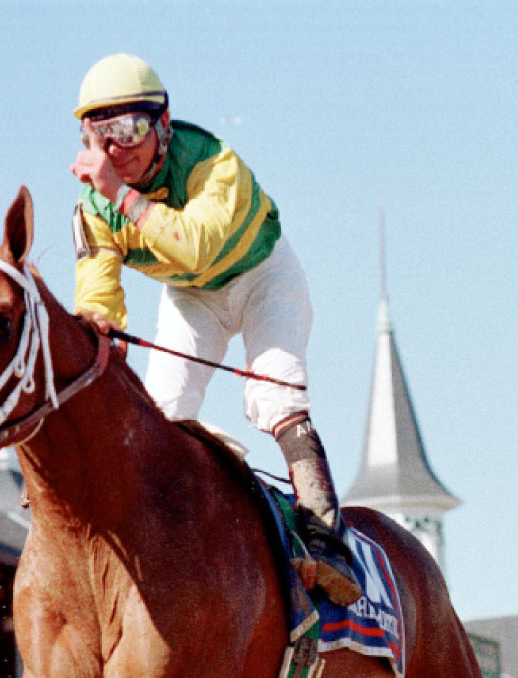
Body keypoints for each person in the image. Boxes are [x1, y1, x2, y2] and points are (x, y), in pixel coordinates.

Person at [70, 53, 361, 606]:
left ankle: (327, 537)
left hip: (263, 276)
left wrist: (120, 196)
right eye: (98, 135)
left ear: (163, 124)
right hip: (191, 295)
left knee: (275, 390)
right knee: (163, 412)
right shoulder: (93, 208)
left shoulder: (213, 162)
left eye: (129, 130)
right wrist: (99, 325)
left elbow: (195, 243)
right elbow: (99, 298)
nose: (116, 151)